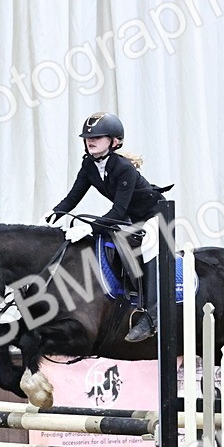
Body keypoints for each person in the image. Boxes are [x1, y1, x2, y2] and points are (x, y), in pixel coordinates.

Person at [43, 112, 170, 342]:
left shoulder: (124, 168)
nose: (90, 141)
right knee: (112, 246)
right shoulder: (89, 165)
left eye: (98, 137)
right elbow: (74, 196)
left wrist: (90, 227)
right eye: (88, 137)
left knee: (150, 247)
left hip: (155, 215)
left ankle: (153, 316)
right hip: (132, 216)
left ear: (114, 141)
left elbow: (117, 212)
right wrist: (56, 211)